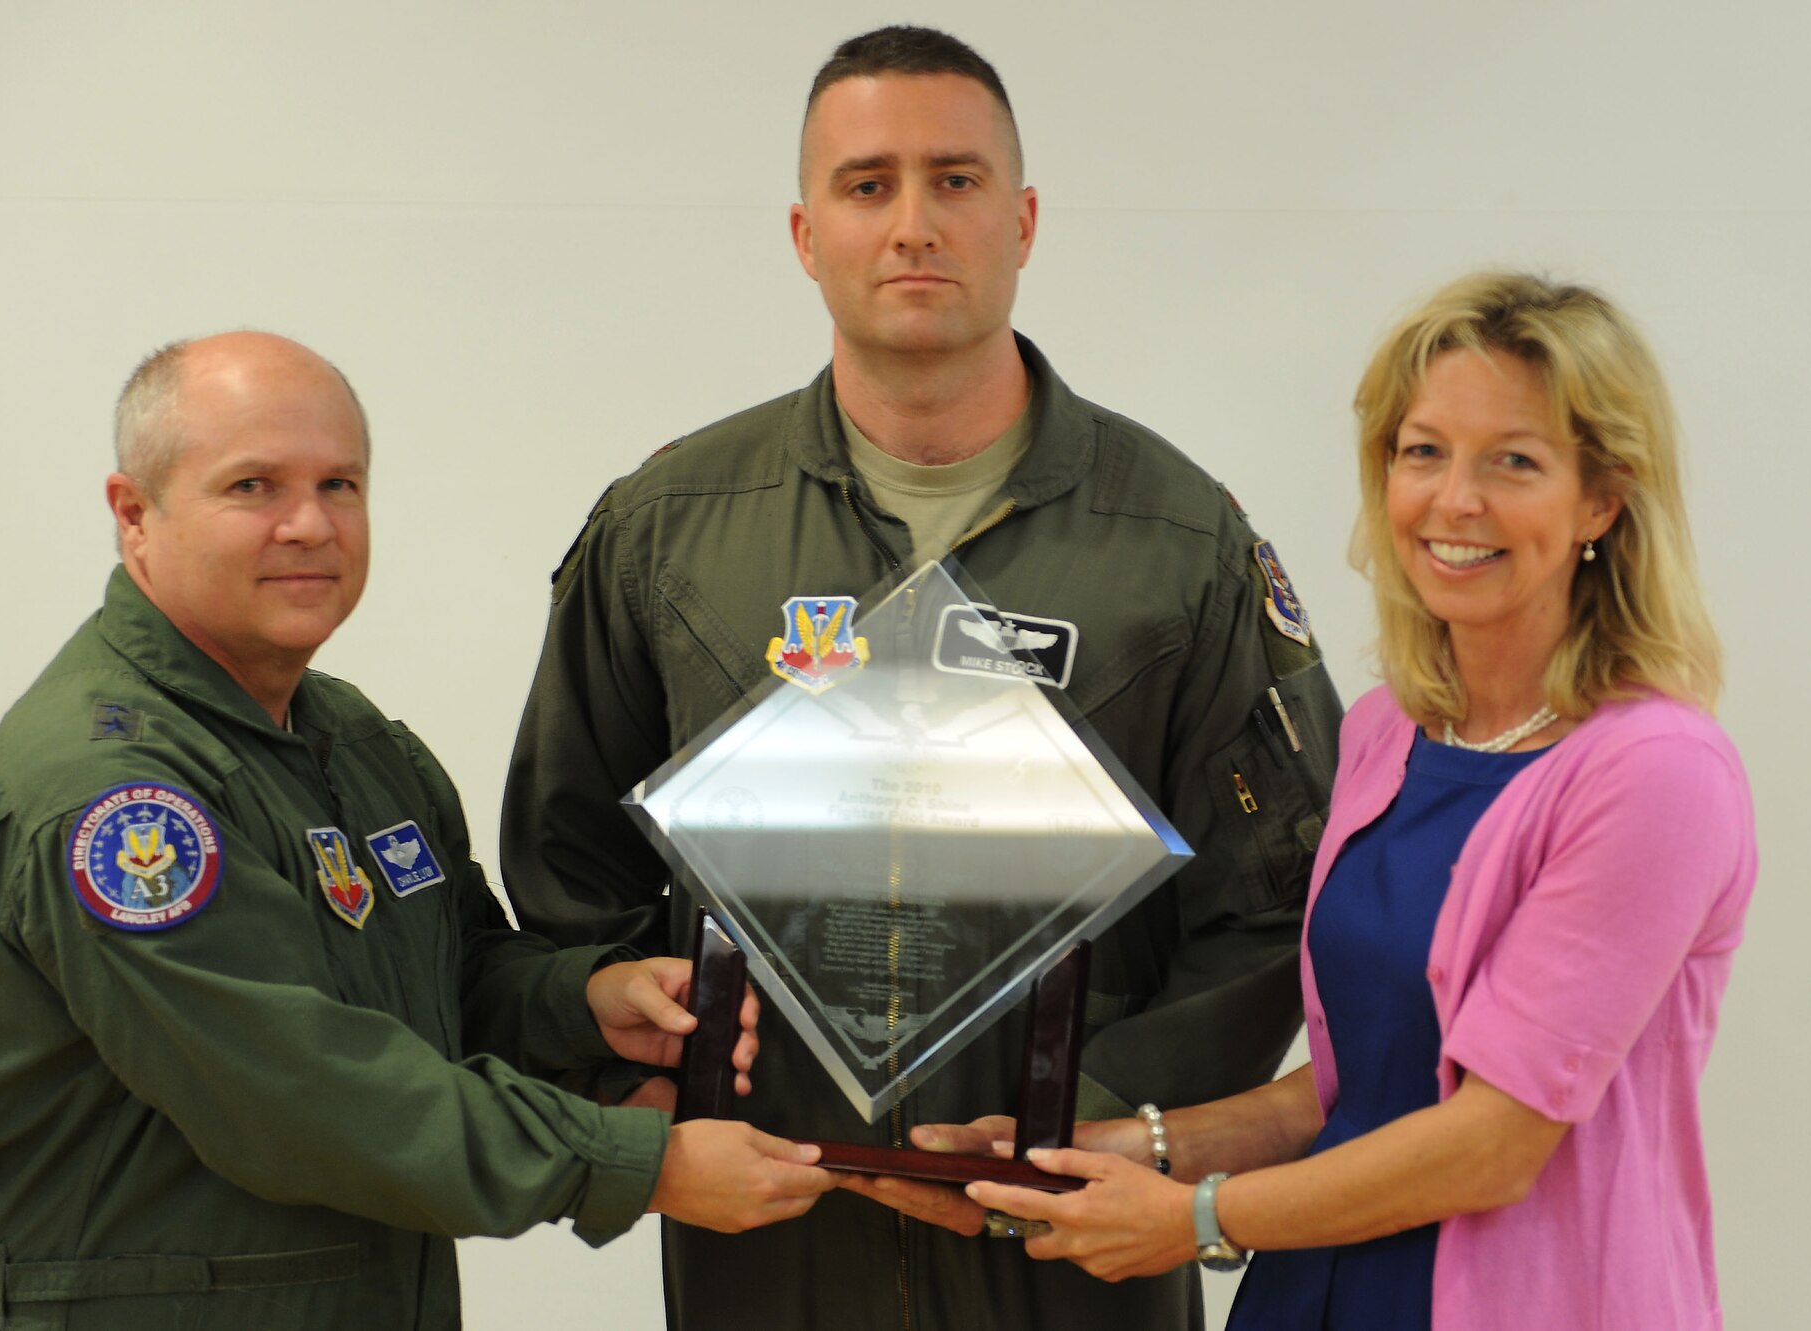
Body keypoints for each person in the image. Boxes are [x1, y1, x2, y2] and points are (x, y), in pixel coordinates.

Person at [502, 25, 1342, 1331]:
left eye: (955, 181)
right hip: (776, 1233)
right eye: (866, 184)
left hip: (1075, 1239)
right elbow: (570, 861)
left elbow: (1282, 897)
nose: (912, 224)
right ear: (803, 232)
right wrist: (643, 1090)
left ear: (1023, 218)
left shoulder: (1178, 542)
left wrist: (1102, 1114)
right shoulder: (669, 530)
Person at [0, 332, 833, 1331]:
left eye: (341, 484)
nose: (310, 524)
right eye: (251, 487)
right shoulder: (114, 796)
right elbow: (298, 1093)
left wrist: (582, 1001)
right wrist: (640, 1163)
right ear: (133, 513)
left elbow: (445, 982)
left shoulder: (353, 743)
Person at [954, 272, 1757, 1330]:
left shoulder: (1654, 772)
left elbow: (1490, 1142)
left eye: (1512, 460)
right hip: (1315, 1291)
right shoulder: (1385, 730)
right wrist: (1125, 1148)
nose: (1454, 500)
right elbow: (1361, 1083)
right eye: (1420, 451)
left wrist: (1195, 1215)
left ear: (1599, 498)